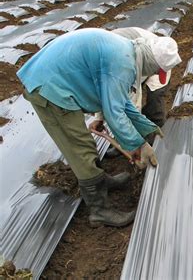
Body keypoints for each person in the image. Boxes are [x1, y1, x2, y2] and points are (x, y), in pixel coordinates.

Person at [17, 28, 181, 227]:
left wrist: (146, 129)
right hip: (49, 89)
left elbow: (122, 103)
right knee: (81, 147)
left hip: (53, 78)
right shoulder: (123, 64)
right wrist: (138, 145)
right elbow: (115, 112)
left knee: (84, 145)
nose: (155, 74)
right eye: (157, 70)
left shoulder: (127, 52)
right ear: (152, 63)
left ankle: (102, 181)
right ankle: (99, 211)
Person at [93, 27, 181, 157]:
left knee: (155, 101)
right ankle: (127, 144)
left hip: (151, 59)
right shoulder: (126, 62)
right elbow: (124, 102)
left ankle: (155, 142)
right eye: (155, 71)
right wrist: (99, 118)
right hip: (126, 62)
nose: (155, 74)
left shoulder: (160, 56)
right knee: (123, 109)